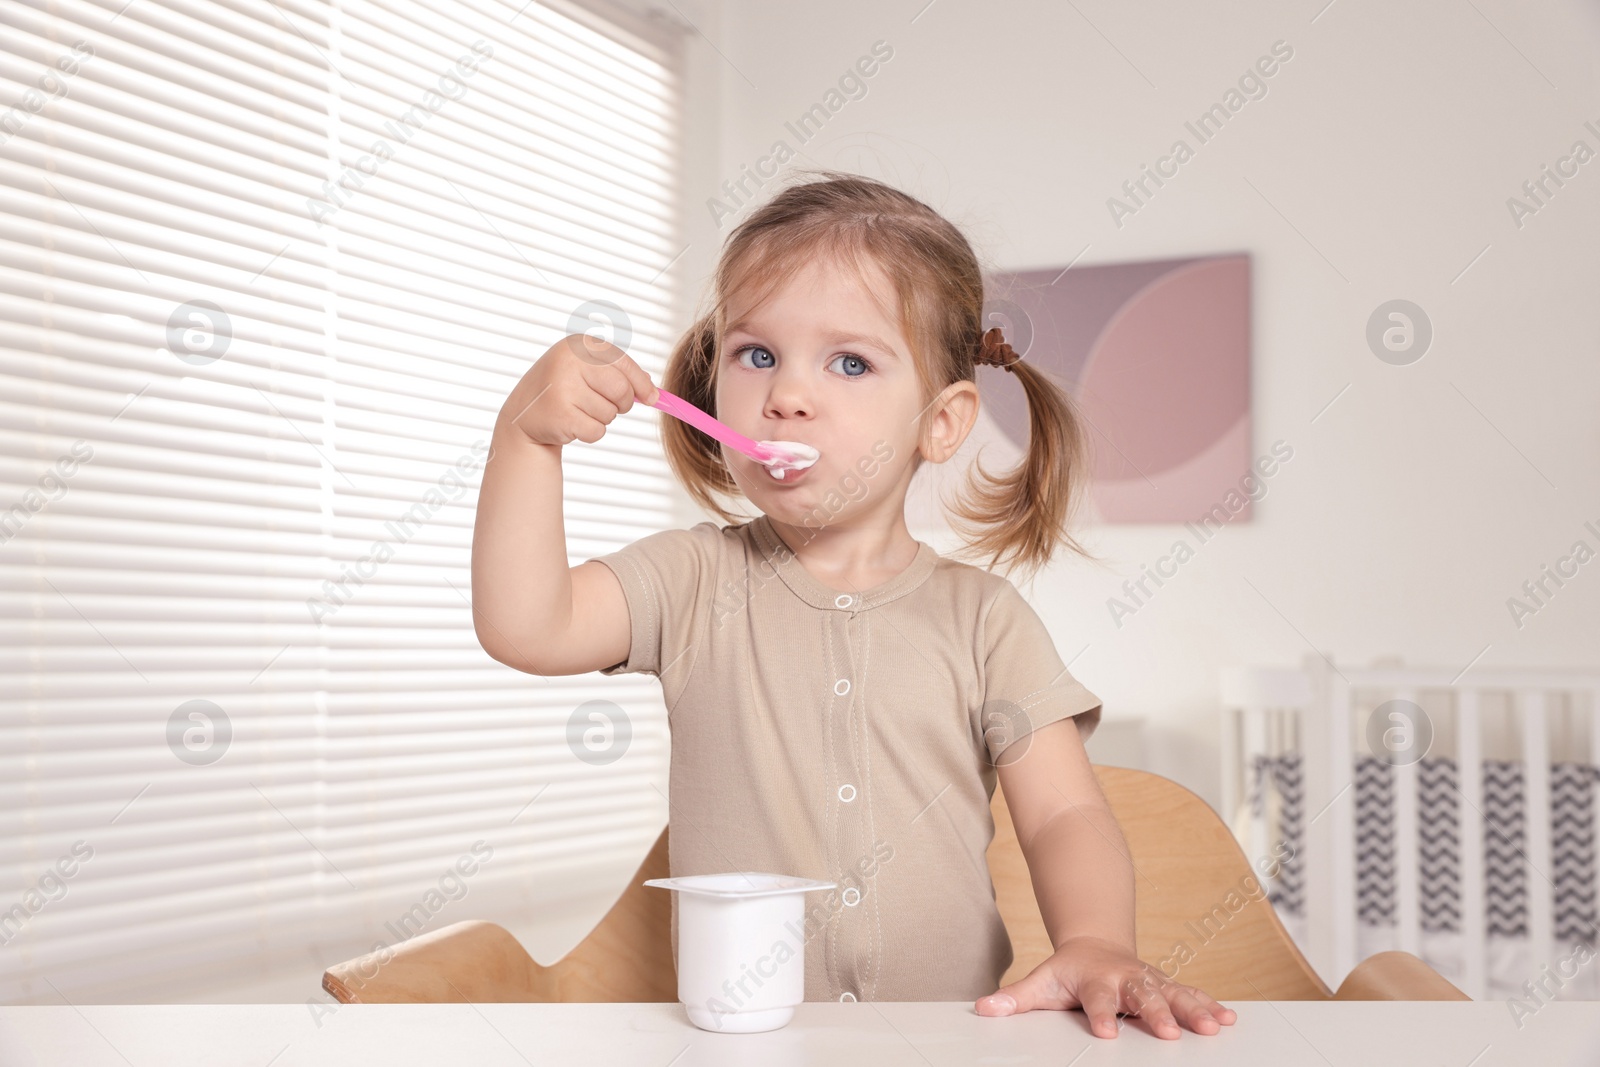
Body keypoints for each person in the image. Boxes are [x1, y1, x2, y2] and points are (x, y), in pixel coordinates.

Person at [471, 170, 1235, 1040]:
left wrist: (1096, 941)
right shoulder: (690, 582)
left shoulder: (984, 621)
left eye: (849, 362)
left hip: (944, 1044)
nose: (788, 392)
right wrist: (527, 440)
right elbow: (526, 625)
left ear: (940, 423)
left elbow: (1064, 812)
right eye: (756, 354)